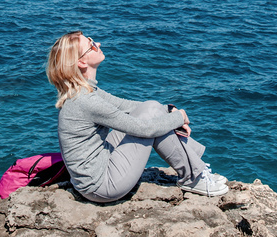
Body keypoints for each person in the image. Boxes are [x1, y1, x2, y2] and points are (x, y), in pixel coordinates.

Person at [46, 30, 228, 203]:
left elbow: (127, 107)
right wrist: (179, 117)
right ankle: (193, 177)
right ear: (82, 62)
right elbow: (144, 129)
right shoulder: (85, 100)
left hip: (98, 169)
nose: (98, 43)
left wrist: (169, 110)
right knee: (150, 124)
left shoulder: (85, 91)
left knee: (151, 108)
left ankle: (195, 168)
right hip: (101, 186)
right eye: (91, 45)